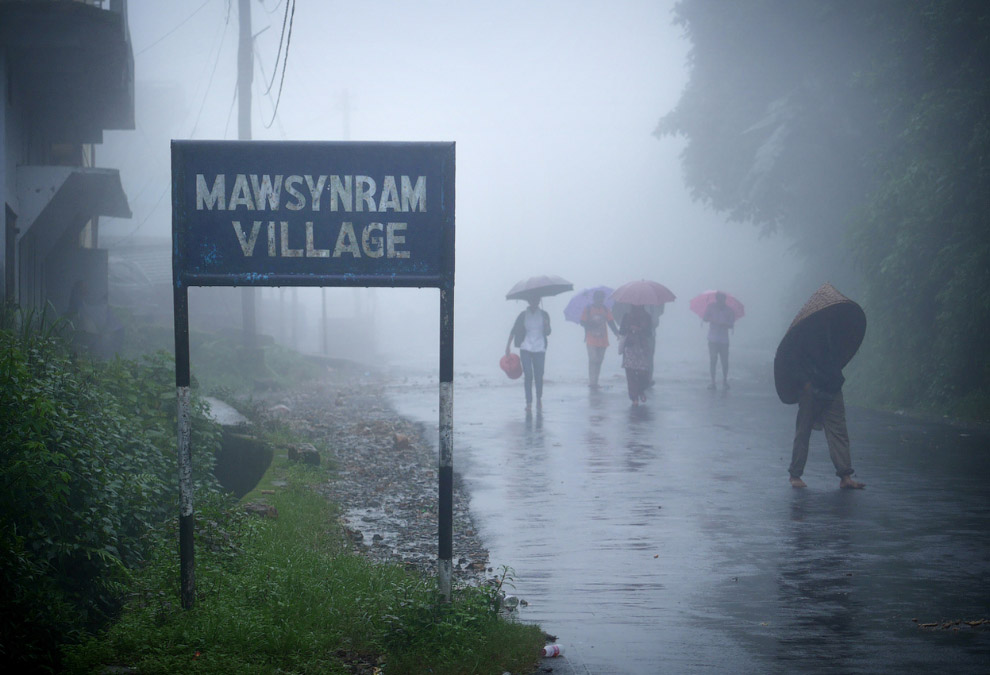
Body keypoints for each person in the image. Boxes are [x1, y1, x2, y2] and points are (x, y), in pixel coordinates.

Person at [786, 319, 865, 490]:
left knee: (838, 430)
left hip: (833, 385)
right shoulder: (802, 333)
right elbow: (792, 360)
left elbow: (841, 356)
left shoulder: (836, 331)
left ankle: (845, 476)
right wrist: (805, 383)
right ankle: (795, 474)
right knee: (803, 430)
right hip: (810, 388)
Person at [506, 296, 551, 411]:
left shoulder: (544, 314)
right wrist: (507, 346)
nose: (534, 302)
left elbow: (548, 332)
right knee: (528, 375)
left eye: (536, 300)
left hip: (540, 348)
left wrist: (546, 325)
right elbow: (514, 330)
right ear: (529, 301)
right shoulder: (523, 315)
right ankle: (529, 402)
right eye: (532, 300)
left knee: (539, 374)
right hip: (525, 347)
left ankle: (539, 398)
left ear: (539, 300)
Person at [580, 290, 619, 388]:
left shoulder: (605, 310)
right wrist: (590, 324)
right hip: (591, 339)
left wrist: (616, 333)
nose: (600, 301)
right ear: (594, 299)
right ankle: (592, 382)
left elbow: (611, 322)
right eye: (598, 299)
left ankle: (595, 381)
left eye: (602, 299)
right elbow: (582, 322)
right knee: (593, 359)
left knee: (599, 361)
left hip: (603, 340)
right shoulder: (588, 309)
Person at [619, 304, 654, 405]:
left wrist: (640, 329)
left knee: (644, 373)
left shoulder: (647, 317)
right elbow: (621, 331)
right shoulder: (626, 316)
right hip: (629, 347)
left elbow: (649, 333)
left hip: (642, 348)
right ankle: (634, 397)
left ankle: (640, 390)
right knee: (630, 373)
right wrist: (629, 328)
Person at [702, 292, 735, 390]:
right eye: (719, 299)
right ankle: (713, 382)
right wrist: (710, 318)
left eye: (722, 299)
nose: (721, 301)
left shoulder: (729, 310)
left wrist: (724, 324)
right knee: (713, 360)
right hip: (712, 338)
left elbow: (731, 324)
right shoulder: (710, 307)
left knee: (724, 361)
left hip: (724, 340)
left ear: (724, 300)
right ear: (716, 299)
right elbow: (704, 318)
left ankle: (724, 380)